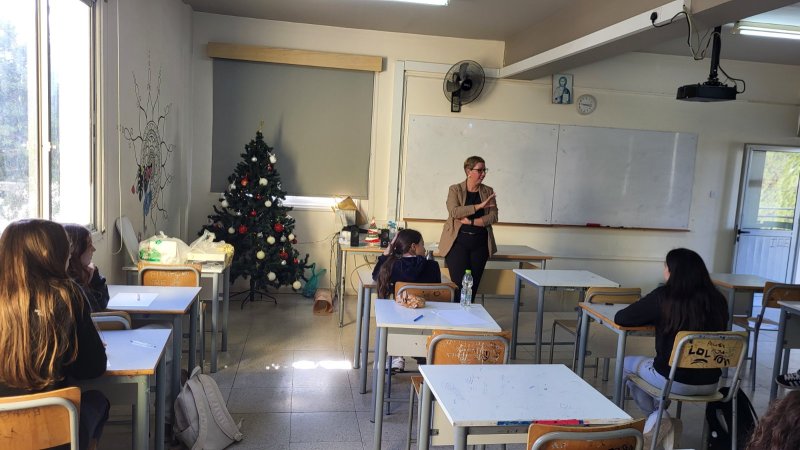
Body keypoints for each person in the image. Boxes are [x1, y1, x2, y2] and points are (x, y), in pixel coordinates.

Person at [0, 219, 109, 450]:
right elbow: (93, 368)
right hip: (54, 435)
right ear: (52, 255)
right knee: (98, 401)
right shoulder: (68, 296)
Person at [616, 248, 729, 417]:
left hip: (674, 381)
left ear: (671, 271)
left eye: (665, 267)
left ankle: (656, 417)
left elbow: (622, 318)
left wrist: (655, 318)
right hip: (710, 383)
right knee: (657, 368)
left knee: (625, 363)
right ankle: (658, 414)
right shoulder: (718, 299)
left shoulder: (664, 296)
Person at [373, 228, 441, 372]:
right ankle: (423, 355)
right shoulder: (433, 266)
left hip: (399, 322)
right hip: (427, 324)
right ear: (414, 247)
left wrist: (385, 254)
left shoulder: (392, 266)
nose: (424, 248)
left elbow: (376, 275)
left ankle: (396, 356)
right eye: (422, 245)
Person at [438, 155, 498, 302]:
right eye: (480, 170)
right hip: (457, 243)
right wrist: (479, 206)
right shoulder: (455, 189)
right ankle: (457, 315)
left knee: (472, 287)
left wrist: (471, 222)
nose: (483, 174)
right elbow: (454, 212)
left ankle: (468, 315)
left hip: (480, 245)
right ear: (468, 171)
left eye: (484, 170)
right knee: (459, 286)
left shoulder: (488, 191)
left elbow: (493, 217)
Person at [65, 223, 109, 312]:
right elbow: (95, 311)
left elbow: (103, 302)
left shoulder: (86, 272)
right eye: (89, 245)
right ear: (76, 250)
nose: (94, 249)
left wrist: (94, 276)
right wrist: (92, 280)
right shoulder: (73, 283)